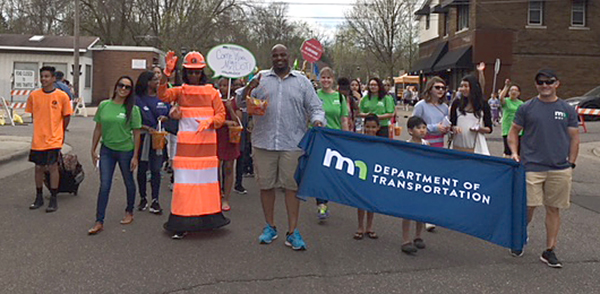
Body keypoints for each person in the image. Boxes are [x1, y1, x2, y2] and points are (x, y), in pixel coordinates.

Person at [243, 44, 324, 251]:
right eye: (275, 55)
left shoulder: (302, 82)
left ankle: (293, 231)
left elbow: (315, 107)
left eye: (283, 55)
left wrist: (317, 121)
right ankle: (270, 226)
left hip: (292, 142)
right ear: (271, 58)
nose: (279, 58)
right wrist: (248, 89)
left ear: (289, 57)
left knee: (292, 188)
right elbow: (240, 102)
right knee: (266, 186)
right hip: (263, 142)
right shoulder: (259, 78)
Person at [508, 69, 579, 268]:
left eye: (549, 82)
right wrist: (514, 152)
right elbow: (514, 131)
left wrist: (571, 162)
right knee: (528, 207)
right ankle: (519, 238)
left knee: (554, 209)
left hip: (559, 168)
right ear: (536, 84)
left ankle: (549, 250)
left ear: (557, 84)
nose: (545, 85)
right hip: (531, 166)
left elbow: (574, 137)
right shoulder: (527, 107)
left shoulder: (567, 109)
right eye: (541, 82)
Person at [159, 51, 230, 239]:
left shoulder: (212, 92)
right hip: (185, 150)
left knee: (205, 185)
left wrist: (211, 122)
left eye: (197, 72)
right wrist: (166, 72)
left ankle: (208, 220)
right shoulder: (180, 91)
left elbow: (221, 115)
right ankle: (181, 223)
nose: (194, 75)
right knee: (184, 186)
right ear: (185, 72)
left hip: (206, 149)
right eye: (190, 72)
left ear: (202, 72)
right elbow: (163, 94)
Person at [88, 76, 142, 235]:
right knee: (104, 184)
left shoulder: (133, 109)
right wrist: (93, 148)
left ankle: (129, 211)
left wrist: (135, 156)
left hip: (125, 151)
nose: (123, 89)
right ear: (116, 86)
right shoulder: (104, 105)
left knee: (128, 181)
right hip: (107, 150)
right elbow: (98, 128)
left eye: (127, 87)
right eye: (121, 85)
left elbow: (137, 134)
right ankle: (99, 221)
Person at [25, 66, 73, 213]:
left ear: (53, 78)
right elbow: (33, 114)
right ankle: (39, 196)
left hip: (54, 138)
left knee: (52, 167)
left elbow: (67, 116)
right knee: (38, 167)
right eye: (42, 76)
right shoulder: (34, 95)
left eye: (47, 76)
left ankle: (53, 198)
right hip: (38, 138)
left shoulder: (62, 96)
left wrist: (61, 131)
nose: (44, 79)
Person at [314, 67, 350, 220]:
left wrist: (346, 139)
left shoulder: (340, 98)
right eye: (323, 77)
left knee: (330, 171)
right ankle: (321, 204)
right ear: (319, 79)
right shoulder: (315, 95)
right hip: (318, 138)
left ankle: (327, 197)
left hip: (334, 139)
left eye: (328, 78)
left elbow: (344, 119)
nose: (326, 80)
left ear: (333, 80)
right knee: (319, 171)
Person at [134, 71, 170, 214]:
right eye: (154, 80)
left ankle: (155, 200)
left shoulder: (163, 98)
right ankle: (143, 198)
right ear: (147, 82)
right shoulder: (137, 99)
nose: (157, 82)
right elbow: (132, 119)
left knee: (156, 169)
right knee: (142, 169)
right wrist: (145, 127)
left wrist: (166, 118)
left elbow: (170, 112)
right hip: (143, 138)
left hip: (158, 138)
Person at [401, 116, 429, 253]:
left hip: (422, 182)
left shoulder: (426, 144)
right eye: (419, 128)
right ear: (410, 131)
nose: (422, 130)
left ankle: (418, 236)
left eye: (424, 127)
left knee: (421, 211)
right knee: (407, 212)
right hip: (410, 181)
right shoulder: (407, 145)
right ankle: (406, 239)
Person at [216, 77, 243, 211]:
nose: (223, 88)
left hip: (231, 137)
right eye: (221, 85)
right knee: (215, 168)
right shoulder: (215, 100)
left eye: (226, 85)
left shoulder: (235, 101)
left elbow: (238, 121)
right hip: (217, 136)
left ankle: (226, 198)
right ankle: (216, 195)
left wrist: (229, 109)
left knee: (228, 167)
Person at [449, 75, 493, 154]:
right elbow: (452, 124)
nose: (463, 89)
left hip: (477, 147)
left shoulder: (483, 105)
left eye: (466, 86)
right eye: (461, 86)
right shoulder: (456, 103)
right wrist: (454, 128)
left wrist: (479, 129)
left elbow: (489, 129)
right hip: (458, 146)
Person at [354, 113, 380, 240]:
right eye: (368, 127)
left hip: (374, 174)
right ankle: (360, 226)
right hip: (362, 174)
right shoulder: (360, 141)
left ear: (378, 128)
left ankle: (369, 227)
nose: (370, 130)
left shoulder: (381, 143)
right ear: (364, 127)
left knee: (371, 201)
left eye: (373, 127)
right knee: (360, 201)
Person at [412, 77, 450, 148]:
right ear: (430, 89)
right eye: (437, 87)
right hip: (423, 143)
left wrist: (447, 129)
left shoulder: (445, 107)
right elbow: (413, 125)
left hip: (439, 143)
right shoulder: (420, 105)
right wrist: (435, 127)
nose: (441, 90)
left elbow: (447, 123)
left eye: (443, 88)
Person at [499, 79, 524, 158]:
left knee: (518, 150)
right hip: (507, 128)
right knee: (508, 151)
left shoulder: (521, 103)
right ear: (509, 92)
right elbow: (500, 98)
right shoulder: (506, 101)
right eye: (512, 90)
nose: (513, 92)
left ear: (519, 93)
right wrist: (506, 86)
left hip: (519, 129)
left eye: (516, 90)